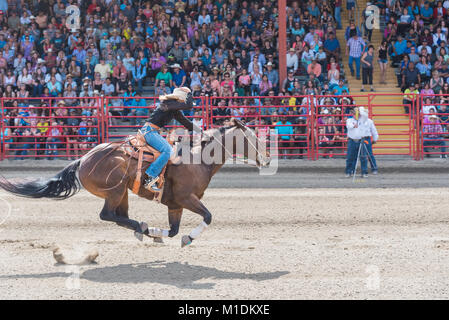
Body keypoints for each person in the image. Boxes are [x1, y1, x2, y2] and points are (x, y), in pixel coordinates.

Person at [142, 87, 196, 191]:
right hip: (150, 131)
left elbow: (186, 123)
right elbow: (189, 105)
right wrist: (189, 92)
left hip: (151, 131)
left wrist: (201, 131)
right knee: (167, 150)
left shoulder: (173, 108)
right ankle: (150, 177)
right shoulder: (169, 103)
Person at [345, 107, 369, 178]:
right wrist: (353, 125)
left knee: (363, 157)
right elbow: (349, 126)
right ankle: (349, 171)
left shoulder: (363, 120)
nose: (356, 115)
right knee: (350, 157)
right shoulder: (349, 120)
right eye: (355, 113)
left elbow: (365, 115)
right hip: (352, 140)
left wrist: (360, 110)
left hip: (361, 140)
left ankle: (364, 172)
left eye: (357, 114)